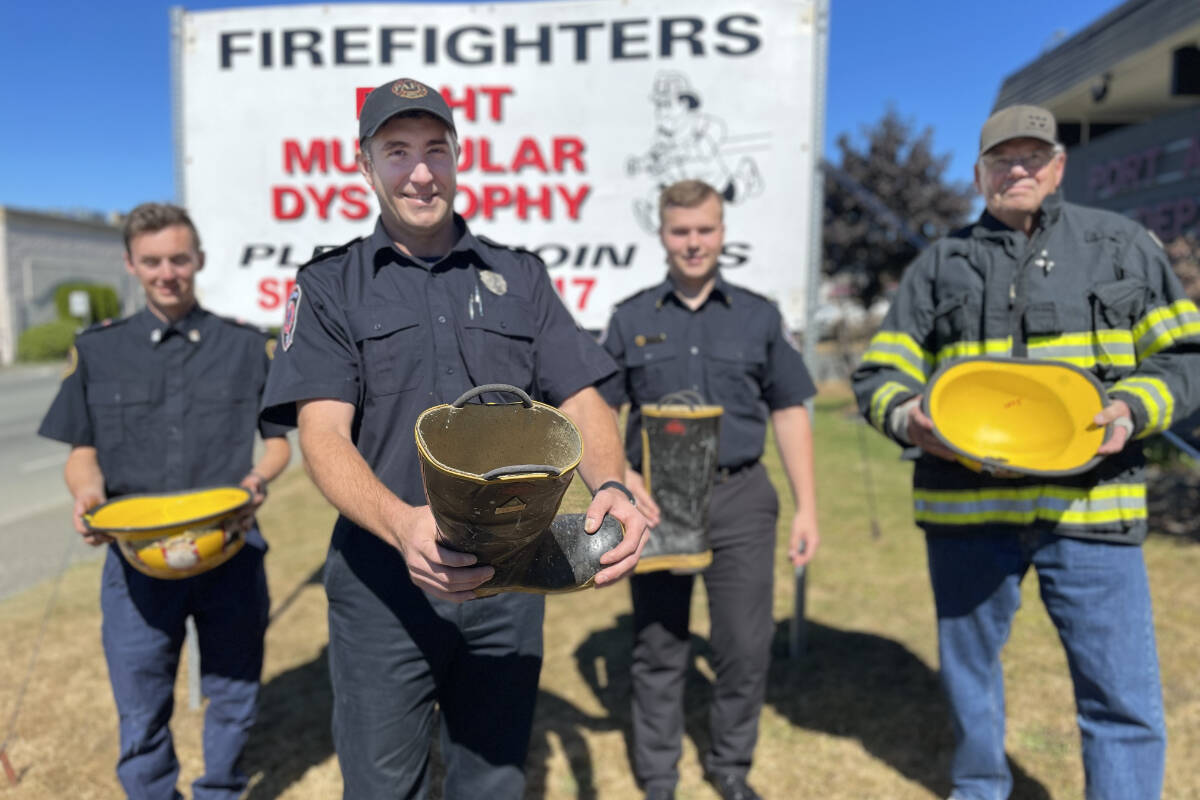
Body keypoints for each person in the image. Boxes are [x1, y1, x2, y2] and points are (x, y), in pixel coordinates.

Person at [259, 77, 648, 799]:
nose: (420, 171)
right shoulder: (329, 285)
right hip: (383, 584)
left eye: (436, 149)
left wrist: (615, 485)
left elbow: (582, 395)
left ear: (458, 156)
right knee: (382, 787)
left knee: (494, 781)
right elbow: (322, 434)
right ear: (364, 163)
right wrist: (403, 525)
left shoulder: (519, 277)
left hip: (512, 576)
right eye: (397, 150)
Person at [852, 104, 1200, 800]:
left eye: (1032, 156)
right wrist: (910, 417)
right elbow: (877, 374)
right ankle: (980, 789)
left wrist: (1133, 409)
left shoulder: (1124, 247)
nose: (1019, 168)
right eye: (1002, 158)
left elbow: (1185, 359)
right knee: (971, 682)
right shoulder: (937, 265)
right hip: (967, 515)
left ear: (1058, 166)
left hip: (1093, 510)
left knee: (1121, 693)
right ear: (980, 173)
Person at [37, 203, 292, 799]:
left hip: (230, 550)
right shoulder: (97, 351)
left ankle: (221, 790)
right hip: (137, 562)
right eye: (152, 261)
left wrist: (257, 481)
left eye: (179, 258)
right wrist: (88, 493)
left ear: (198, 260)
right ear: (131, 265)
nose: (167, 272)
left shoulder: (244, 346)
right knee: (140, 697)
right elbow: (81, 452)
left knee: (233, 691)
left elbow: (278, 445)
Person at [599, 179, 820, 800]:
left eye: (704, 230)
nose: (693, 243)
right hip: (658, 502)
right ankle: (659, 777)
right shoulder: (631, 318)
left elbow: (790, 411)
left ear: (722, 233)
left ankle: (729, 767)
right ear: (663, 235)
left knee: (744, 647)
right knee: (659, 645)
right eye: (680, 231)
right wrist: (623, 477)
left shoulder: (759, 316)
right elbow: (601, 410)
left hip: (741, 498)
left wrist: (808, 507)